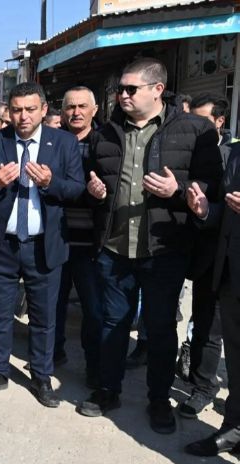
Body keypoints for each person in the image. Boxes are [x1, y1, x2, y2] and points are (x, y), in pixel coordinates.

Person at [77, 58, 222, 435]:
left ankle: (158, 399)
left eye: (130, 89)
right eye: (119, 90)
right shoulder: (106, 133)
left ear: (158, 89)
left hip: (164, 250)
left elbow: (211, 187)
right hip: (114, 249)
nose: (122, 95)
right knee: (113, 324)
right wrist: (94, 194)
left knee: (159, 329)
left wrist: (179, 194)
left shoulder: (194, 131)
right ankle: (107, 390)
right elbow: (93, 181)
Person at [0, 81, 85, 408]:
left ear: (44, 110)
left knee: (44, 316)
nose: (23, 117)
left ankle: (41, 376)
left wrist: (50, 183)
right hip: (2, 245)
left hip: (43, 244)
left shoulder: (63, 143)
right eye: (17, 110)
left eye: (30, 109)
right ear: (9, 111)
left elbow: (76, 189)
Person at [183, 149, 240, 456]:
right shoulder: (236, 152)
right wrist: (205, 210)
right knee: (235, 358)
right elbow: (228, 210)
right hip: (230, 273)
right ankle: (233, 429)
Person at [176, 92, 229, 418]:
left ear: (220, 121)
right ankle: (201, 385)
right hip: (204, 256)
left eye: (202, 120)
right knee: (204, 325)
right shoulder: (187, 153)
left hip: (229, 254)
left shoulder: (230, 156)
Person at [55, 86, 104, 388]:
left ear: (94, 110)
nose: (76, 112)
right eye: (70, 106)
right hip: (56, 237)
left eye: (82, 106)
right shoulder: (51, 142)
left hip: (92, 242)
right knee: (52, 305)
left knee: (94, 309)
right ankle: (52, 354)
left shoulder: (107, 143)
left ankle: (95, 366)